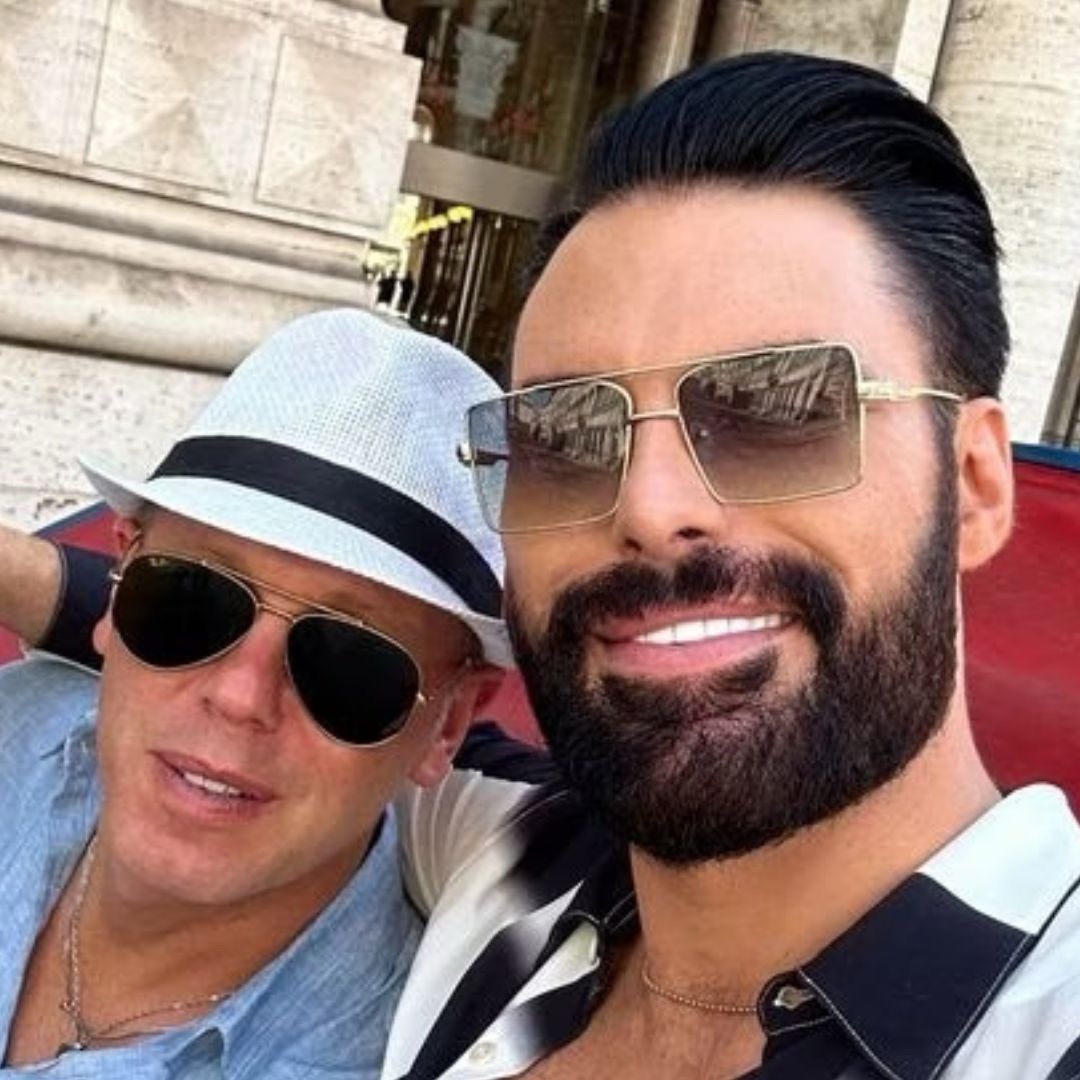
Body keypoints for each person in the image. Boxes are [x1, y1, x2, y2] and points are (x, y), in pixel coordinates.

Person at [5, 52, 1080, 1080]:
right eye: (568, 436)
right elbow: (241, 662)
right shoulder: (520, 859)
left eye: (778, 408)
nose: (650, 508)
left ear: (975, 480)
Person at [0, 307, 507, 1076]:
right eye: (190, 600)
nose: (240, 696)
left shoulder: (371, 1061)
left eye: (349, 661)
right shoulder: (23, 720)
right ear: (119, 580)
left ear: (449, 723)